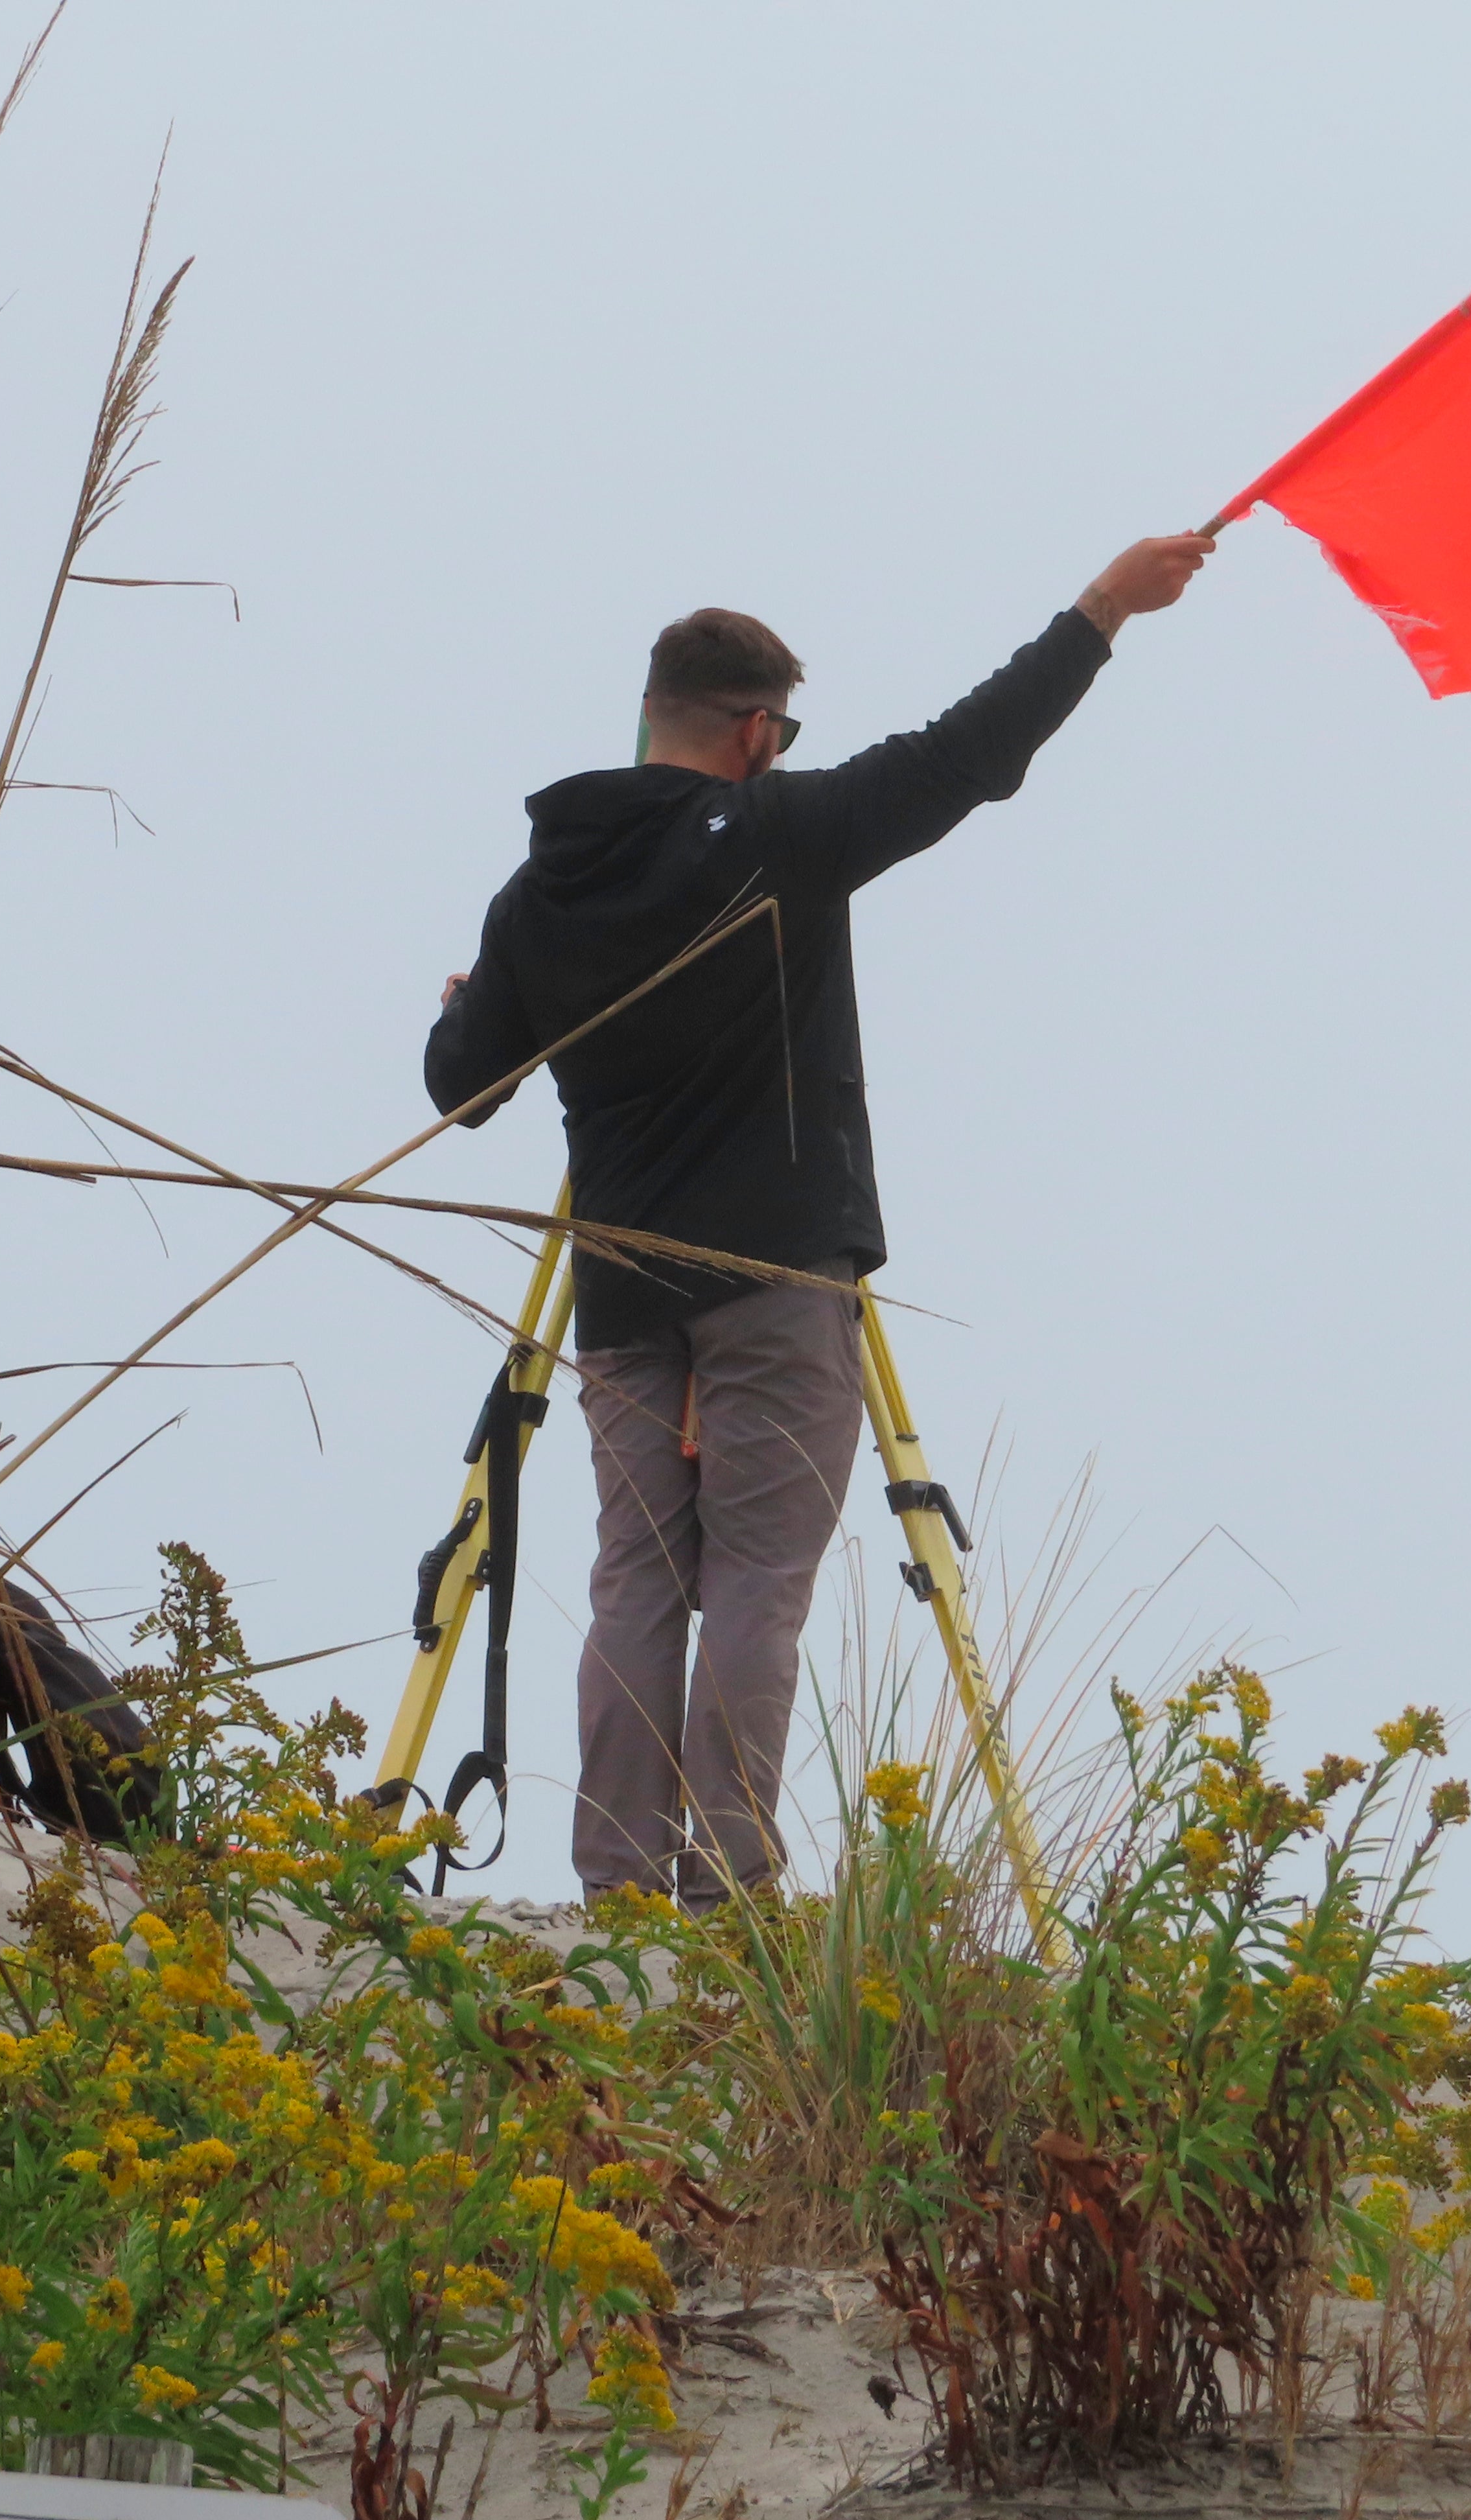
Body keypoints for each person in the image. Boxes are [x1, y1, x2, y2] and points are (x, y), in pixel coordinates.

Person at [423, 534, 1212, 1906]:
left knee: (636, 1582)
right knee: (758, 1582)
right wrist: (1100, 613)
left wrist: (465, 1006)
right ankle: (730, 1879)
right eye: (781, 734)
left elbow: (461, 1086)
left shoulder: (541, 891)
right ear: (755, 728)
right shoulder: (778, 836)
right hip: (776, 1269)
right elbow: (967, 753)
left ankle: (614, 1883)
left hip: (618, 1295)